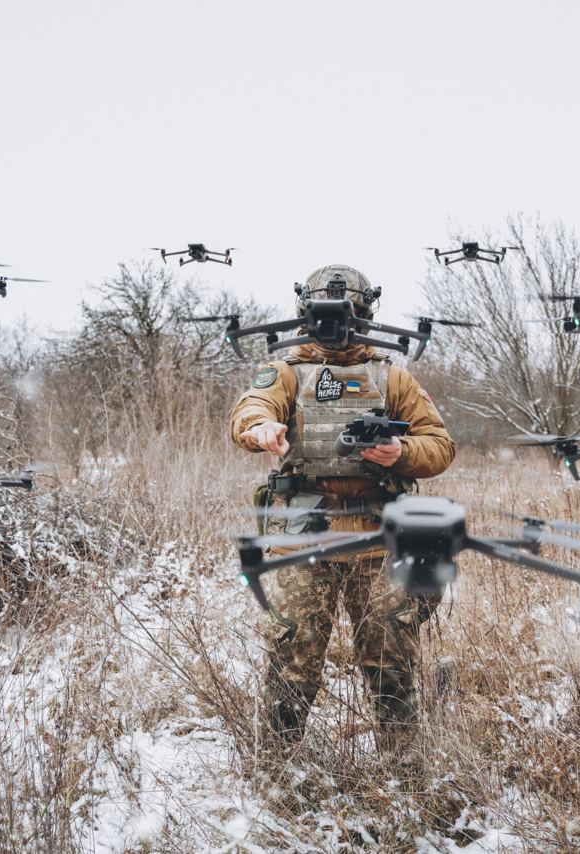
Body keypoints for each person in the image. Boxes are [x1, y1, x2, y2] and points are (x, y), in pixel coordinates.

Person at [228, 264, 455, 751]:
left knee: (391, 661)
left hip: (379, 543)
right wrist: (260, 429)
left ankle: (403, 771)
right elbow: (251, 407)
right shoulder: (287, 372)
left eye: (347, 313)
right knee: (293, 659)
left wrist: (402, 454)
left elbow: (440, 445)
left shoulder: (392, 378)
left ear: (365, 315)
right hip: (306, 542)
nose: (336, 325)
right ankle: (277, 770)